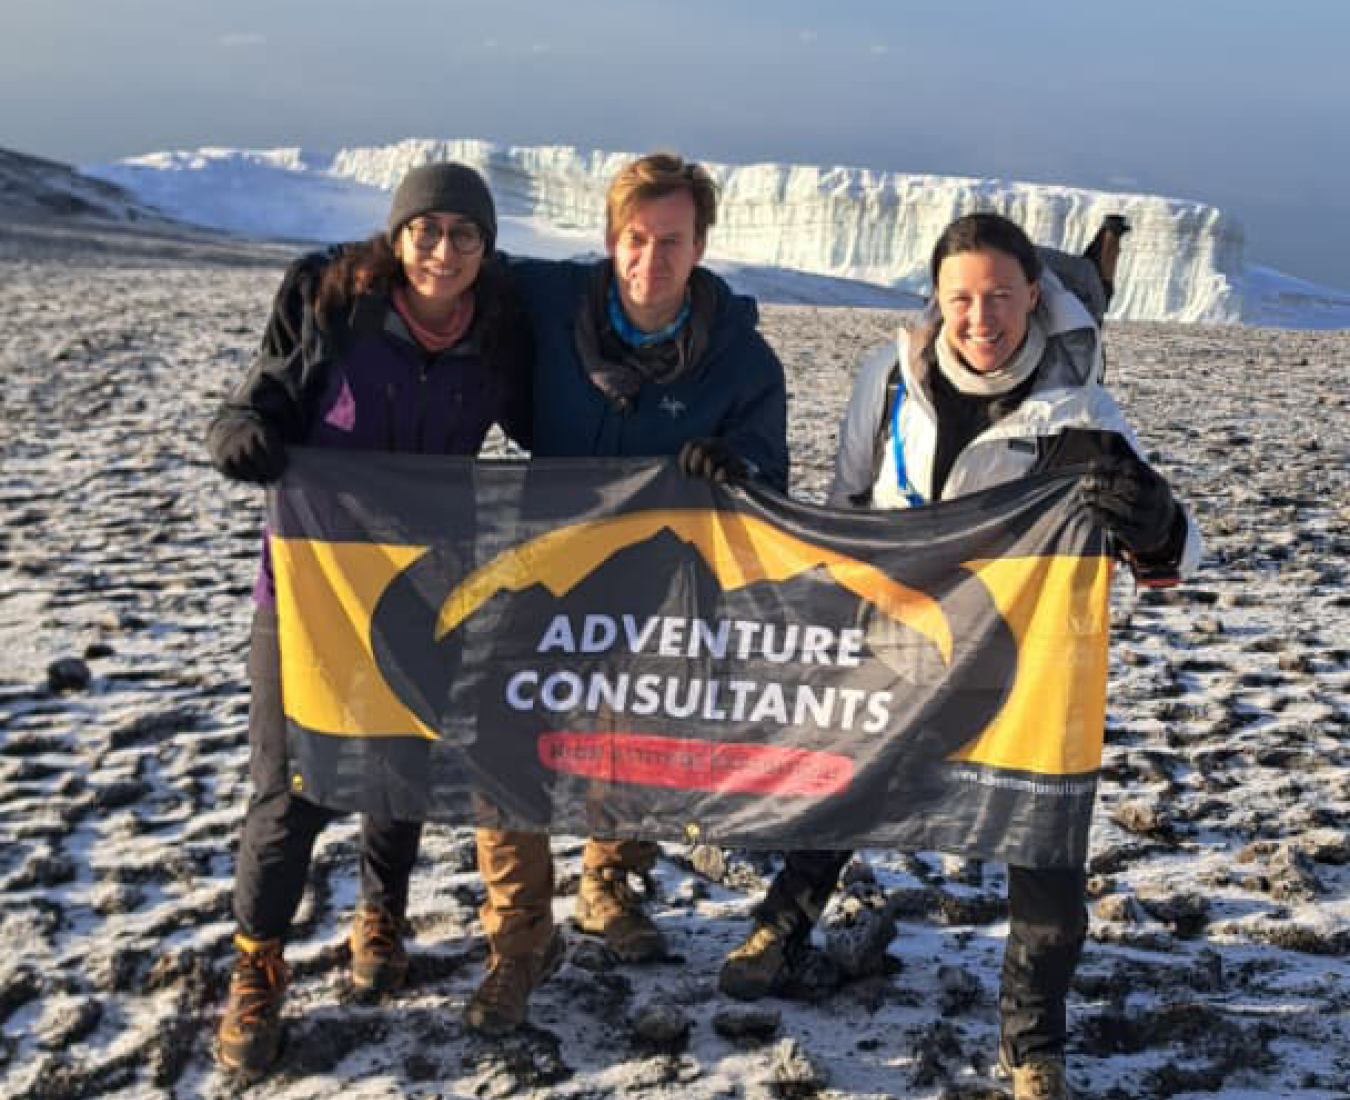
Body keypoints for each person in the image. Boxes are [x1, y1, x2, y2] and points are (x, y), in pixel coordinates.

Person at [716, 212, 1199, 1100]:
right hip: (902, 637)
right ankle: (779, 930)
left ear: (1033, 297)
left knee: (1044, 852)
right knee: (844, 779)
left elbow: (1169, 556)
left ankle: (1032, 1045)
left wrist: (1156, 519)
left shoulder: (1082, 414)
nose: (981, 318)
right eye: (961, 299)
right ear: (936, 301)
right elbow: (847, 503)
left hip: (1028, 669)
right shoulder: (889, 378)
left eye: (1001, 298)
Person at [206, 162, 533, 1076]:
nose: (442, 250)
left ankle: (378, 917)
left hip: (425, 593)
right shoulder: (334, 305)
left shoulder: (500, 337)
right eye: (424, 230)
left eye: (463, 234)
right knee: (291, 783)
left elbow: (559, 436)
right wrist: (241, 436)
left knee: (396, 769)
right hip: (310, 591)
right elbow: (258, 396)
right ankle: (256, 966)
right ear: (397, 236)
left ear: (485, 249)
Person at [460, 151, 790, 1035]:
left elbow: (770, 471)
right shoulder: (546, 301)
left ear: (701, 245)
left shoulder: (739, 359)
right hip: (543, 563)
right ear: (611, 238)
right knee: (503, 735)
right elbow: (443, 268)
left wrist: (739, 467)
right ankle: (521, 941)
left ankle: (609, 879)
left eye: (672, 241)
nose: (652, 259)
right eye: (637, 239)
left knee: (634, 735)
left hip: (656, 584)